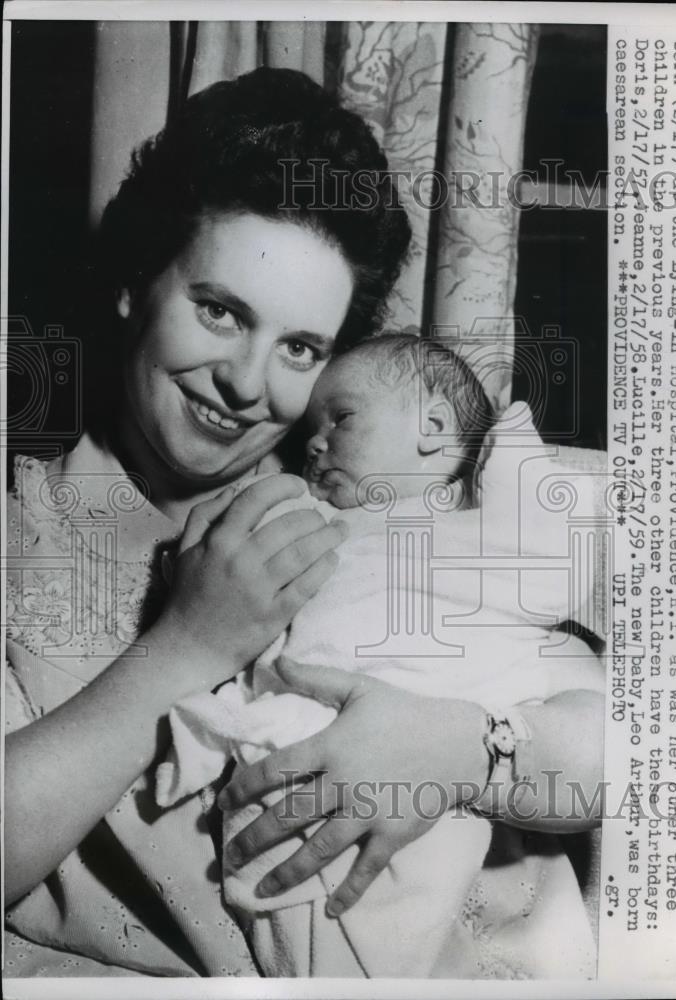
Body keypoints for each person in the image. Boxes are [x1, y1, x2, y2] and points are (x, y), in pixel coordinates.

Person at [4, 67, 603, 980]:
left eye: (299, 348)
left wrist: (468, 749)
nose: (247, 383)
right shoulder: (21, 536)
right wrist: (187, 645)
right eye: (217, 311)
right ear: (134, 283)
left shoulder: (381, 490)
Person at [155, 335, 605, 978]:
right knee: (305, 909)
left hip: (447, 778)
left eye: (341, 418)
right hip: (302, 762)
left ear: (433, 427)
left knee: (463, 925)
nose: (315, 443)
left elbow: (553, 550)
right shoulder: (320, 524)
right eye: (310, 429)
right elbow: (257, 640)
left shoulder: (474, 524)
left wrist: (513, 447)